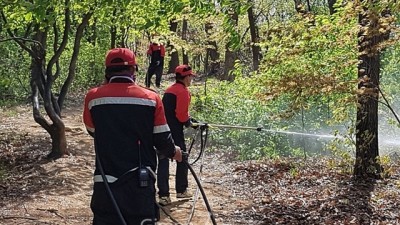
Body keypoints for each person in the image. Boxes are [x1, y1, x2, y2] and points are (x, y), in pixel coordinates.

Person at [83, 48, 182, 225]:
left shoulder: (93, 97)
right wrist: (175, 152)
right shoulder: (151, 98)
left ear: (107, 71)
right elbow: (162, 140)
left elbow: (93, 131)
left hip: (106, 182)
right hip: (140, 184)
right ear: (133, 71)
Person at [157, 64, 197, 206]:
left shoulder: (169, 90)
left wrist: (189, 119)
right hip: (174, 131)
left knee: (163, 160)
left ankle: (163, 195)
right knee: (182, 157)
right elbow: (181, 116)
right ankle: (181, 190)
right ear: (186, 77)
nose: (191, 79)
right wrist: (190, 123)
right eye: (191, 76)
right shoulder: (183, 92)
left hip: (162, 130)